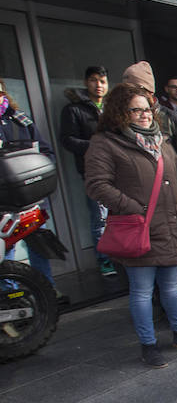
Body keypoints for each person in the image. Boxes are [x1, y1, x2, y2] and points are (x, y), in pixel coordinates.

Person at [84, 83, 177, 367]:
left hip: (171, 225)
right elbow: (97, 185)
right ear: (119, 113)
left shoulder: (161, 141)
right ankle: (148, 344)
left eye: (146, 109)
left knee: (172, 287)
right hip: (138, 228)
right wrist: (134, 209)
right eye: (134, 110)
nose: (143, 115)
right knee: (141, 291)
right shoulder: (105, 143)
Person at [0, 76, 64, 301]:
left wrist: (36, 175)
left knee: (38, 246)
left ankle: (47, 291)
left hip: (29, 200)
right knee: (5, 253)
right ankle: (11, 297)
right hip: (2, 205)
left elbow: (46, 152)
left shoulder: (20, 121)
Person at [58, 65, 115, 276]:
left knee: (122, 214)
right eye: (94, 80)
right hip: (94, 171)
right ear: (85, 82)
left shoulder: (112, 107)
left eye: (102, 81)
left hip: (119, 168)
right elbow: (67, 140)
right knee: (100, 218)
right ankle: (105, 260)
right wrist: (95, 146)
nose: (98, 85)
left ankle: (124, 254)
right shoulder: (73, 109)